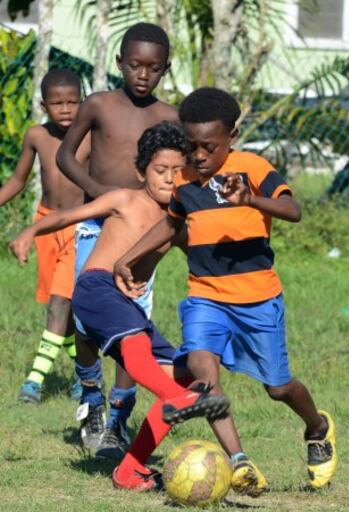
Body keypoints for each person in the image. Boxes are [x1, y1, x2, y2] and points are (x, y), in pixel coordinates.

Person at [113, 87, 337, 491]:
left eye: (208, 147)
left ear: (231, 137)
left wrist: (251, 199)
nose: (198, 156)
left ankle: (318, 427)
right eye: (191, 146)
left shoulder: (251, 167)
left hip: (258, 299)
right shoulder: (183, 180)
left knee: (278, 387)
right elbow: (170, 224)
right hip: (206, 297)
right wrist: (127, 257)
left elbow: (293, 210)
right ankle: (239, 462)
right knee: (203, 370)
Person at [10, 121, 230, 492]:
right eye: (161, 171)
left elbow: (206, 258)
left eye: (179, 172)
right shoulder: (125, 200)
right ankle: (175, 400)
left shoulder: (176, 224)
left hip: (128, 307)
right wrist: (30, 232)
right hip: (95, 287)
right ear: (140, 171)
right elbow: (66, 217)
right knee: (153, 365)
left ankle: (129, 469)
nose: (169, 179)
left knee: (188, 377)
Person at [56, 22, 180, 453]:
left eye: (153, 67)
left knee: (133, 328)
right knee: (85, 321)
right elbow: (64, 155)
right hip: (96, 227)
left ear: (165, 69)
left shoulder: (170, 118)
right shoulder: (99, 105)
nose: (142, 75)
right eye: (134, 65)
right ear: (119, 63)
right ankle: (91, 397)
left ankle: (118, 420)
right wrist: (105, 194)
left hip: (143, 234)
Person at [0, 68, 90, 404]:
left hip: (79, 226)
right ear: (43, 105)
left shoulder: (91, 137)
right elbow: (17, 181)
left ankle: (34, 382)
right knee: (59, 311)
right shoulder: (36, 136)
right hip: (44, 225)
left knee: (61, 301)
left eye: (72, 102)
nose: (66, 109)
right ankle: (85, 376)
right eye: (57, 103)